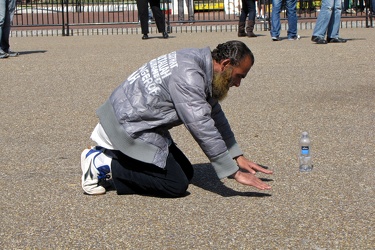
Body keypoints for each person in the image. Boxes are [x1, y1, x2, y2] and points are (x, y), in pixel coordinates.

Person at [81, 40, 273, 197]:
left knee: (187, 173)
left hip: (135, 119)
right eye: (239, 76)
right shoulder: (190, 77)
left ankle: (117, 158)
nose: (238, 84)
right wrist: (233, 172)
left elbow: (214, 114)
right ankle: (101, 163)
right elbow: (202, 126)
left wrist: (236, 155)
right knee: (174, 184)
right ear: (225, 64)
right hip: (126, 127)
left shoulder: (198, 61)